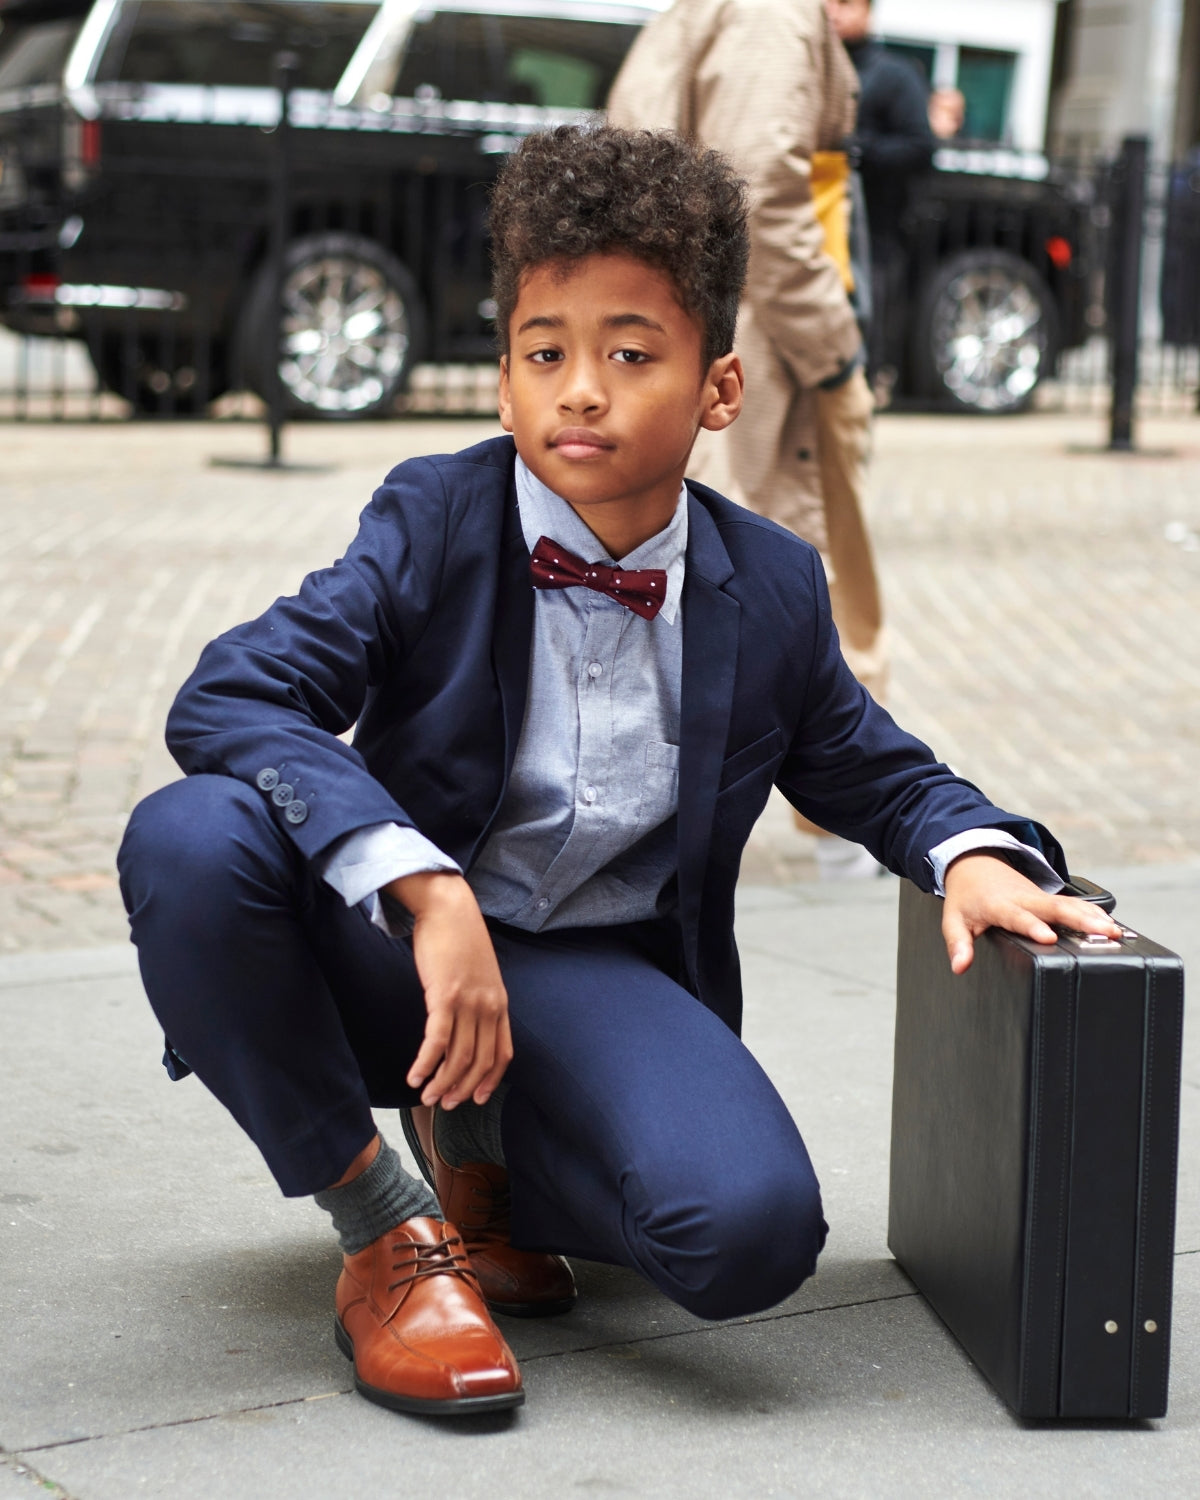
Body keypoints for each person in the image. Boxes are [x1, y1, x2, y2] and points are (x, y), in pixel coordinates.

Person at [116, 124, 1122, 1422]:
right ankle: (389, 1231)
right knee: (192, 838)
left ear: (719, 388)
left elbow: (870, 767)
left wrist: (971, 851)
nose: (579, 390)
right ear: (503, 379)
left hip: (593, 966)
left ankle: (488, 1161)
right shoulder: (434, 519)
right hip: (394, 949)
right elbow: (234, 691)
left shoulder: (767, 585)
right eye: (546, 353)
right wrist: (423, 887)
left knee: (747, 1239)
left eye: (629, 354)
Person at [608, 0, 888, 879]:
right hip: (760, 345)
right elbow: (762, 191)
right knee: (788, 576)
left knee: (691, 576)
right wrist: (836, 352)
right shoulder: (776, 13)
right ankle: (847, 817)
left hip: (700, 330)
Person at [824, 0, 934, 396]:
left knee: (864, 331)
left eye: (846, 3)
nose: (833, 11)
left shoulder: (894, 74)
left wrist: (863, 151)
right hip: (817, 228)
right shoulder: (813, 65)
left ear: (869, 11)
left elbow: (921, 147)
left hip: (874, 232)